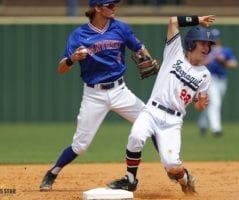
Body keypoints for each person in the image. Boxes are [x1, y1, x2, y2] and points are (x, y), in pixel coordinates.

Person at [39, 0, 158, 191]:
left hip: (120, 91)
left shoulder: (120, 28)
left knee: (153, 123)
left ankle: (166, 172)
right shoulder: (79, 34)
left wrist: (148, 57)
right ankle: (52, 172)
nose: (114, 8)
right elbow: (61, 68)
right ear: (97, 8)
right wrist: (72, 59)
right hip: (94, 95)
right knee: (80, 146)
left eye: (114, 5)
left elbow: (139, 47)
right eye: (110, 5)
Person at [106, 15, 216, 195]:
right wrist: (198, 19)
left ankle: (185, 179)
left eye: (209, 45)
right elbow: (173, 21)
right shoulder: (174, 53)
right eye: (203, 43)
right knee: (136, 136)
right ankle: (130, 179)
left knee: (172, 165)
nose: (207, 47)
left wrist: (200, 103)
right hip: (152, 110)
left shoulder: (205, 75)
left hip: (173, 121)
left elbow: (198, 104)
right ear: (190, 43)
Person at [198, 28, 238, 137]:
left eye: (216, 38)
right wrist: (209, 59)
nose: (215, 40)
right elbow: (197, 64)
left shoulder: (226, 50)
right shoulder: (205, 50)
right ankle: (216, 128)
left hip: (222, 80)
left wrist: (222, 60)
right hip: (209, 80)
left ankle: (203, 123)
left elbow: (234, 65)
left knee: (212, 103)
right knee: (215, 102)